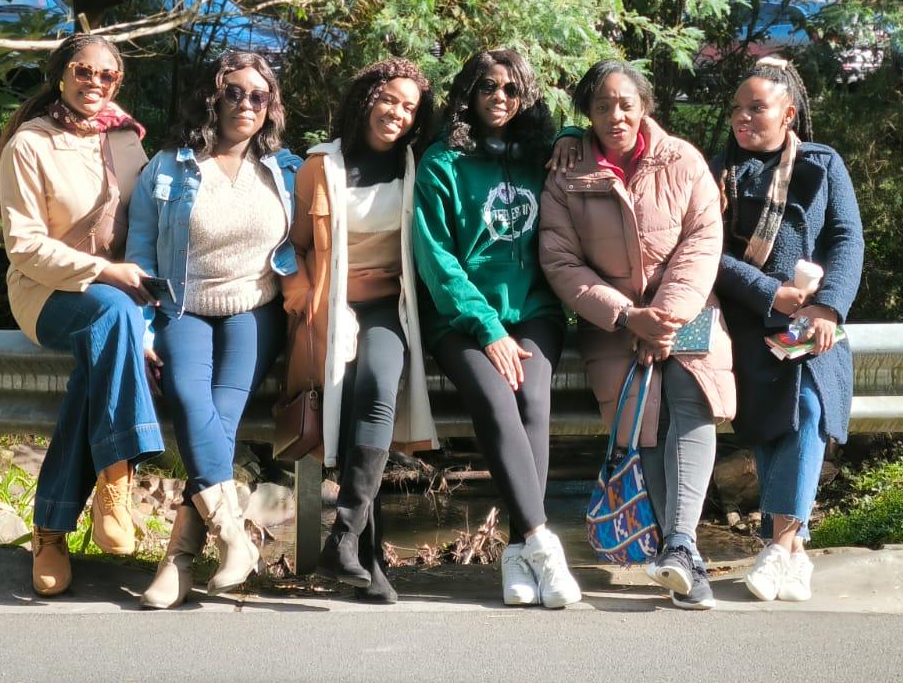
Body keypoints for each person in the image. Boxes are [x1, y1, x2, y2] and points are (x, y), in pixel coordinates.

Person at [539, 60, 734, 609]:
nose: (615, 115)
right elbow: (559, 261)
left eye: (626, 103)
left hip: (685, 313)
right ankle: (681, 557)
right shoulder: (567, 174)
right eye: (602, 106)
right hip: (612, 323)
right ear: (587, 113)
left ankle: (680, 546)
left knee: (690, 392)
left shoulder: (683, 160)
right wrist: (628, 316)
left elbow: (702, 242)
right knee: (645, 415)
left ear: (645, 105)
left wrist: (663, 317)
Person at [126, 50, 303, 608]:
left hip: (256, 308)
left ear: (270, 105)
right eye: (234, 92)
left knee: (221, 413)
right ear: (212, 98)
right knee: (186, 394)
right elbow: (140, 258)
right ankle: (231, 538)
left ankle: (178, 560)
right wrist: (144, 332)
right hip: (184, 306)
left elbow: (317, 241)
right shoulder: (167, 168)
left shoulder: (287, 170)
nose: (247, 104)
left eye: (259, 96)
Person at [0, 34, 160, 598]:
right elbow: (23, 246)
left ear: (119, 82)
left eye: (106, 75)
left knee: (103, 352)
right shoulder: (30, 145)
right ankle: (117, 476)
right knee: (112, 315)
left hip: (122, 301)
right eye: (83, 71)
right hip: (46, 292)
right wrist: (105, 272)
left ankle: (51, 528)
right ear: (61, 74)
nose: (94, 83)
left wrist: (147, 321)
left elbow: (148, 228)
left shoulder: (127, 140)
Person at [413, 48, 581, 609]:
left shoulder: (541, 156)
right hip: (460, 318)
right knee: (495, 397)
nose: (500, 98)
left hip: (532, 310)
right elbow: (437, 260)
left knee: (532, 397)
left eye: (512, 89)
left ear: (527, 97)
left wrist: (572, 132)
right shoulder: (442, 162)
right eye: (487, 86)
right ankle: (542, 543)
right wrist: (487, 328)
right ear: (469, 94)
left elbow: (590, 135)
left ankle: (516, 549)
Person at [284, 58, 440, 605]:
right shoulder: (320, 167)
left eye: (409, 107)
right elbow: (292, 247)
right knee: (348, 394)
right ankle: (363, 560)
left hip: (387, 308)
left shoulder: (418, 165)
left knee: (377, 382)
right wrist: (301, 296)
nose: (397, 113)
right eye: (389, 99)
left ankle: (345, 535)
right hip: (330, 309)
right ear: (366, 98)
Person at [712, 56, 864, 604]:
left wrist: (828, 308)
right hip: (749, 324)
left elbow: (847, 238)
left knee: (809, 406)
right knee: (778, 419)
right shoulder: (718, 172)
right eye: (737, 108)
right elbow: (706, 252)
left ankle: (777, 547)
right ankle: (792, 553)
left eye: (757, 108)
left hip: (813, 322)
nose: (743, 117)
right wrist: (767, 292)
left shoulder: (822, 164)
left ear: (788, 113)